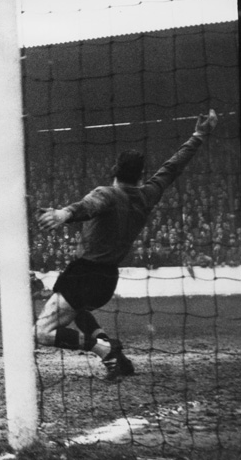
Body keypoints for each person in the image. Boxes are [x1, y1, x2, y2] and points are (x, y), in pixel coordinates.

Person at [34, 110, 218, 381]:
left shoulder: (107, 193)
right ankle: (119, 359)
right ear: (141, 175)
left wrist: (64, 214)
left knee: (42, 332)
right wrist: (200, 134)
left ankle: (105, 351)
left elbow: (88, 207)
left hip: (83, 273)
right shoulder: (147, 195)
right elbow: (173, 167)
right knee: (79, 312)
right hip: (107, 280)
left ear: (114, 170)